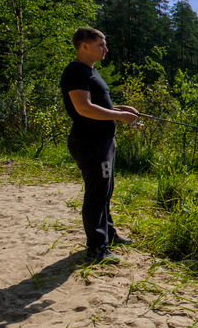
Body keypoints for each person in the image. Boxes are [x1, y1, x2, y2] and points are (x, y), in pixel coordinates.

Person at [60, 27, 140, 263]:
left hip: (102, 140)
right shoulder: (76, 71)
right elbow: (83, 108)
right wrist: (118, 117)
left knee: (105, 191)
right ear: (84, 46)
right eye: (100, 45)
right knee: (96, 194)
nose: (105, 49)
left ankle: (109, 234)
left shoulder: (90, 71)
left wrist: (120, 109)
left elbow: (97, 105)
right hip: (89, 141)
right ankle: (96, 248)